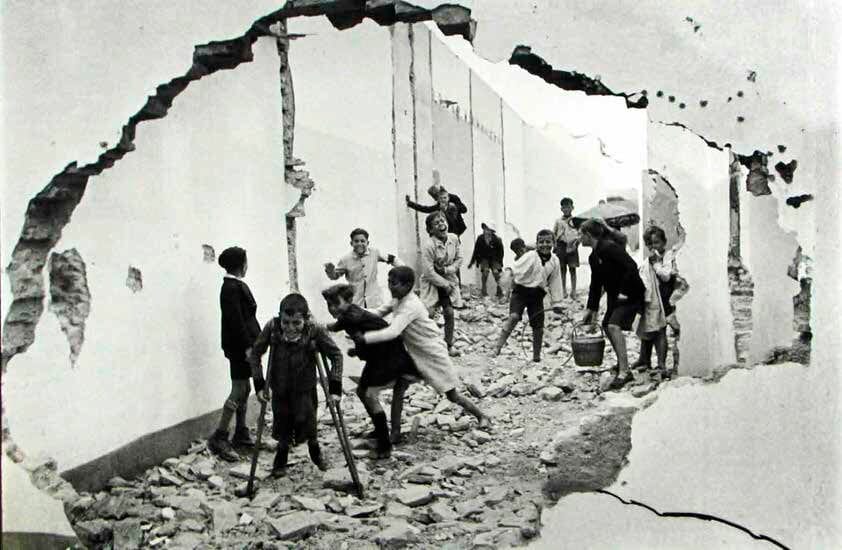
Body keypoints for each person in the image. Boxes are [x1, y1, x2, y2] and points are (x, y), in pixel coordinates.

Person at [354, 266, 491, 429]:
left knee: (452, 395)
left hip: (433, 353)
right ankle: (395, 433)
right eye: (389, 282)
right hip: (415, 354)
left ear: (408, 286)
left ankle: (482, 416)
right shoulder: (398, 300)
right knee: (399, 387)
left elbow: (393, 331)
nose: (390, 286)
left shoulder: (410, 305)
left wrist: (365, 338)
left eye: (395, 283)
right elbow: (377, 312)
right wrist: (352, 310)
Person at [250, 294, 343, 477]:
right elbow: (255, 354)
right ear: (280, 317)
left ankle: (315, 452)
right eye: (286, 322)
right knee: (282, 423)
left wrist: (335, 389)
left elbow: (336, 356)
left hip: (304, 388)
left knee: (308, 423)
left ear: (306, 319)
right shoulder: (273, 327)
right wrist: (260, 385)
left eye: (296, 323)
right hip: (280, 387)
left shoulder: (313, 329)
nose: (290, 328)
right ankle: (280, 459)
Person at [321, 283, 420, 458]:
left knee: (368, 395)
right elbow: (352, 333)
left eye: (336, 303)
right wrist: (357, 350)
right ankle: (379, 431)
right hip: (381, 355)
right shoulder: (350, 314)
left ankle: (385, 445)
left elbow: (338, 328)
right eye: (329, 305)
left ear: (349, 300)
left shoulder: (351, 317)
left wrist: (319, 327)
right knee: (362, 392)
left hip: (388, 356)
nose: (332, 308)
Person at [208, 246, 263, 462]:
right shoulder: (231, 287)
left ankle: (241, 432)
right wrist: (247, 347)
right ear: (241, 264)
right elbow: (236, 321)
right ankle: (220, 436)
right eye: (246, 261)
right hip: (240, 347)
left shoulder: (235, 285)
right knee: (239, 388)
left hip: (244, 346)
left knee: (245, 387)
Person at [579, 219, 645, 390]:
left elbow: (631, 266)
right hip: (615, 297)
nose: (579, 238)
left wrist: (624, 290)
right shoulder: (594, 256)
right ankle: (621, 363)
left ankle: (625, 372)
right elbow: (596, 284)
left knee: (613, 326)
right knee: (606, 326)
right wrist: (590, 308)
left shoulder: (610, 247)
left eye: (581, 234)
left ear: (588, 234)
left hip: (630, 293)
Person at [493, 231, 564, 362]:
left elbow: (555, 281)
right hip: (521, 291)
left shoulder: (555, 261)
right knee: (514, 317)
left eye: (548, 242)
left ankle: (536, 356)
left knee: (538, 325)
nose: (545, 245)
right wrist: (508, 274)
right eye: (541, 242)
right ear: (536, 244)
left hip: (537, 295)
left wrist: (557, 302)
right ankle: (497, 347)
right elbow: (516, 267)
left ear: (553, 243)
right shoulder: (531, 256)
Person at [633, 226, 687, 378]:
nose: (653, 246)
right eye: (649, 244)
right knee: (647, 327)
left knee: (659, 330)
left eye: (656, 242)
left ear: (664, 242)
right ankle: (644, 359)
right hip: (652, 300)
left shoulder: (668, 256)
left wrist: (656, 264)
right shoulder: (649, 259)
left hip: (665, 298)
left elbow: (666, 276)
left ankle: (662, 363)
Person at [420, 211, 463, 356]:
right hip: (432, 283)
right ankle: (424, 346)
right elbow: (428, 272)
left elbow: (459, 259)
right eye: (436, 223)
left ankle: (448, 345)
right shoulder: (428, 245)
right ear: (431, 230)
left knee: (449, 312)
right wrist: (444, 283)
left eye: (442, 221)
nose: (441, 224)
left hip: (448, 279)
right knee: (428, 314)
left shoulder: (454, 239)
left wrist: (447, 270)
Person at [324, 228, 401, 309]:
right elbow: (335, 276)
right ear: (351, 243)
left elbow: (392, 259)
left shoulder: (375, 253)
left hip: (374, 300)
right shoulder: (345, 259)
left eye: (362, 241)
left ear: (367, 243)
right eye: (356, 241)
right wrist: (330, 271)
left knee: (376, 319)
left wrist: (405, 271)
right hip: (356, 300)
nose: (359, 244)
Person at [467, 222, 505, 299]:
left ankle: (499, 291)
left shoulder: (497, 240)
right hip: (484, 258)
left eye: (488, 230)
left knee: (496, 273)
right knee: (485, 272)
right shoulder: (480, 238)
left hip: (494, 259)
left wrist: (500, 263)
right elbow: (476, 251)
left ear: (492, 231)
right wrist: (472, 262)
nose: (486, 231)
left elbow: (501, 252)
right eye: (485, 229)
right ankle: (484, 291)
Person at [553, 197, 580, 298]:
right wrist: (555, 245)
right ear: (561, 209)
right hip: (561, 246)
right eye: (564, 207)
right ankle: (563, 290)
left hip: (572, 246)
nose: (566, 209)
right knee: (562, 269)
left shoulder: (576, 220)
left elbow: (580, 234)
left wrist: (576, 244)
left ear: (572, 208)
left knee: (572, 269)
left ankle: (573, 291)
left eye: (568, 207)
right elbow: (554, 234)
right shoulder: (558, 221)